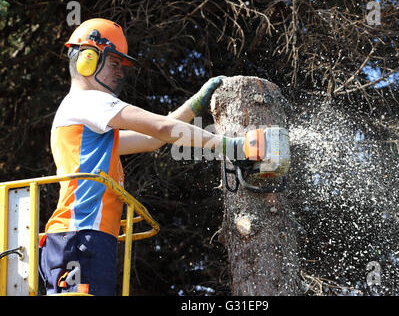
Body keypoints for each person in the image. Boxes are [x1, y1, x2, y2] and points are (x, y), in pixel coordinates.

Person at [38, 18, 246, 295]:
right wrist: (231, 147)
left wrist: (193, 105)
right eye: (114, 63)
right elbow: (161, 127)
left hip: (88, 236)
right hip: (79, 234)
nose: (119, 73)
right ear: (88, 59)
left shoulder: (89, 125)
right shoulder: (87, 101)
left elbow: (152, 140)